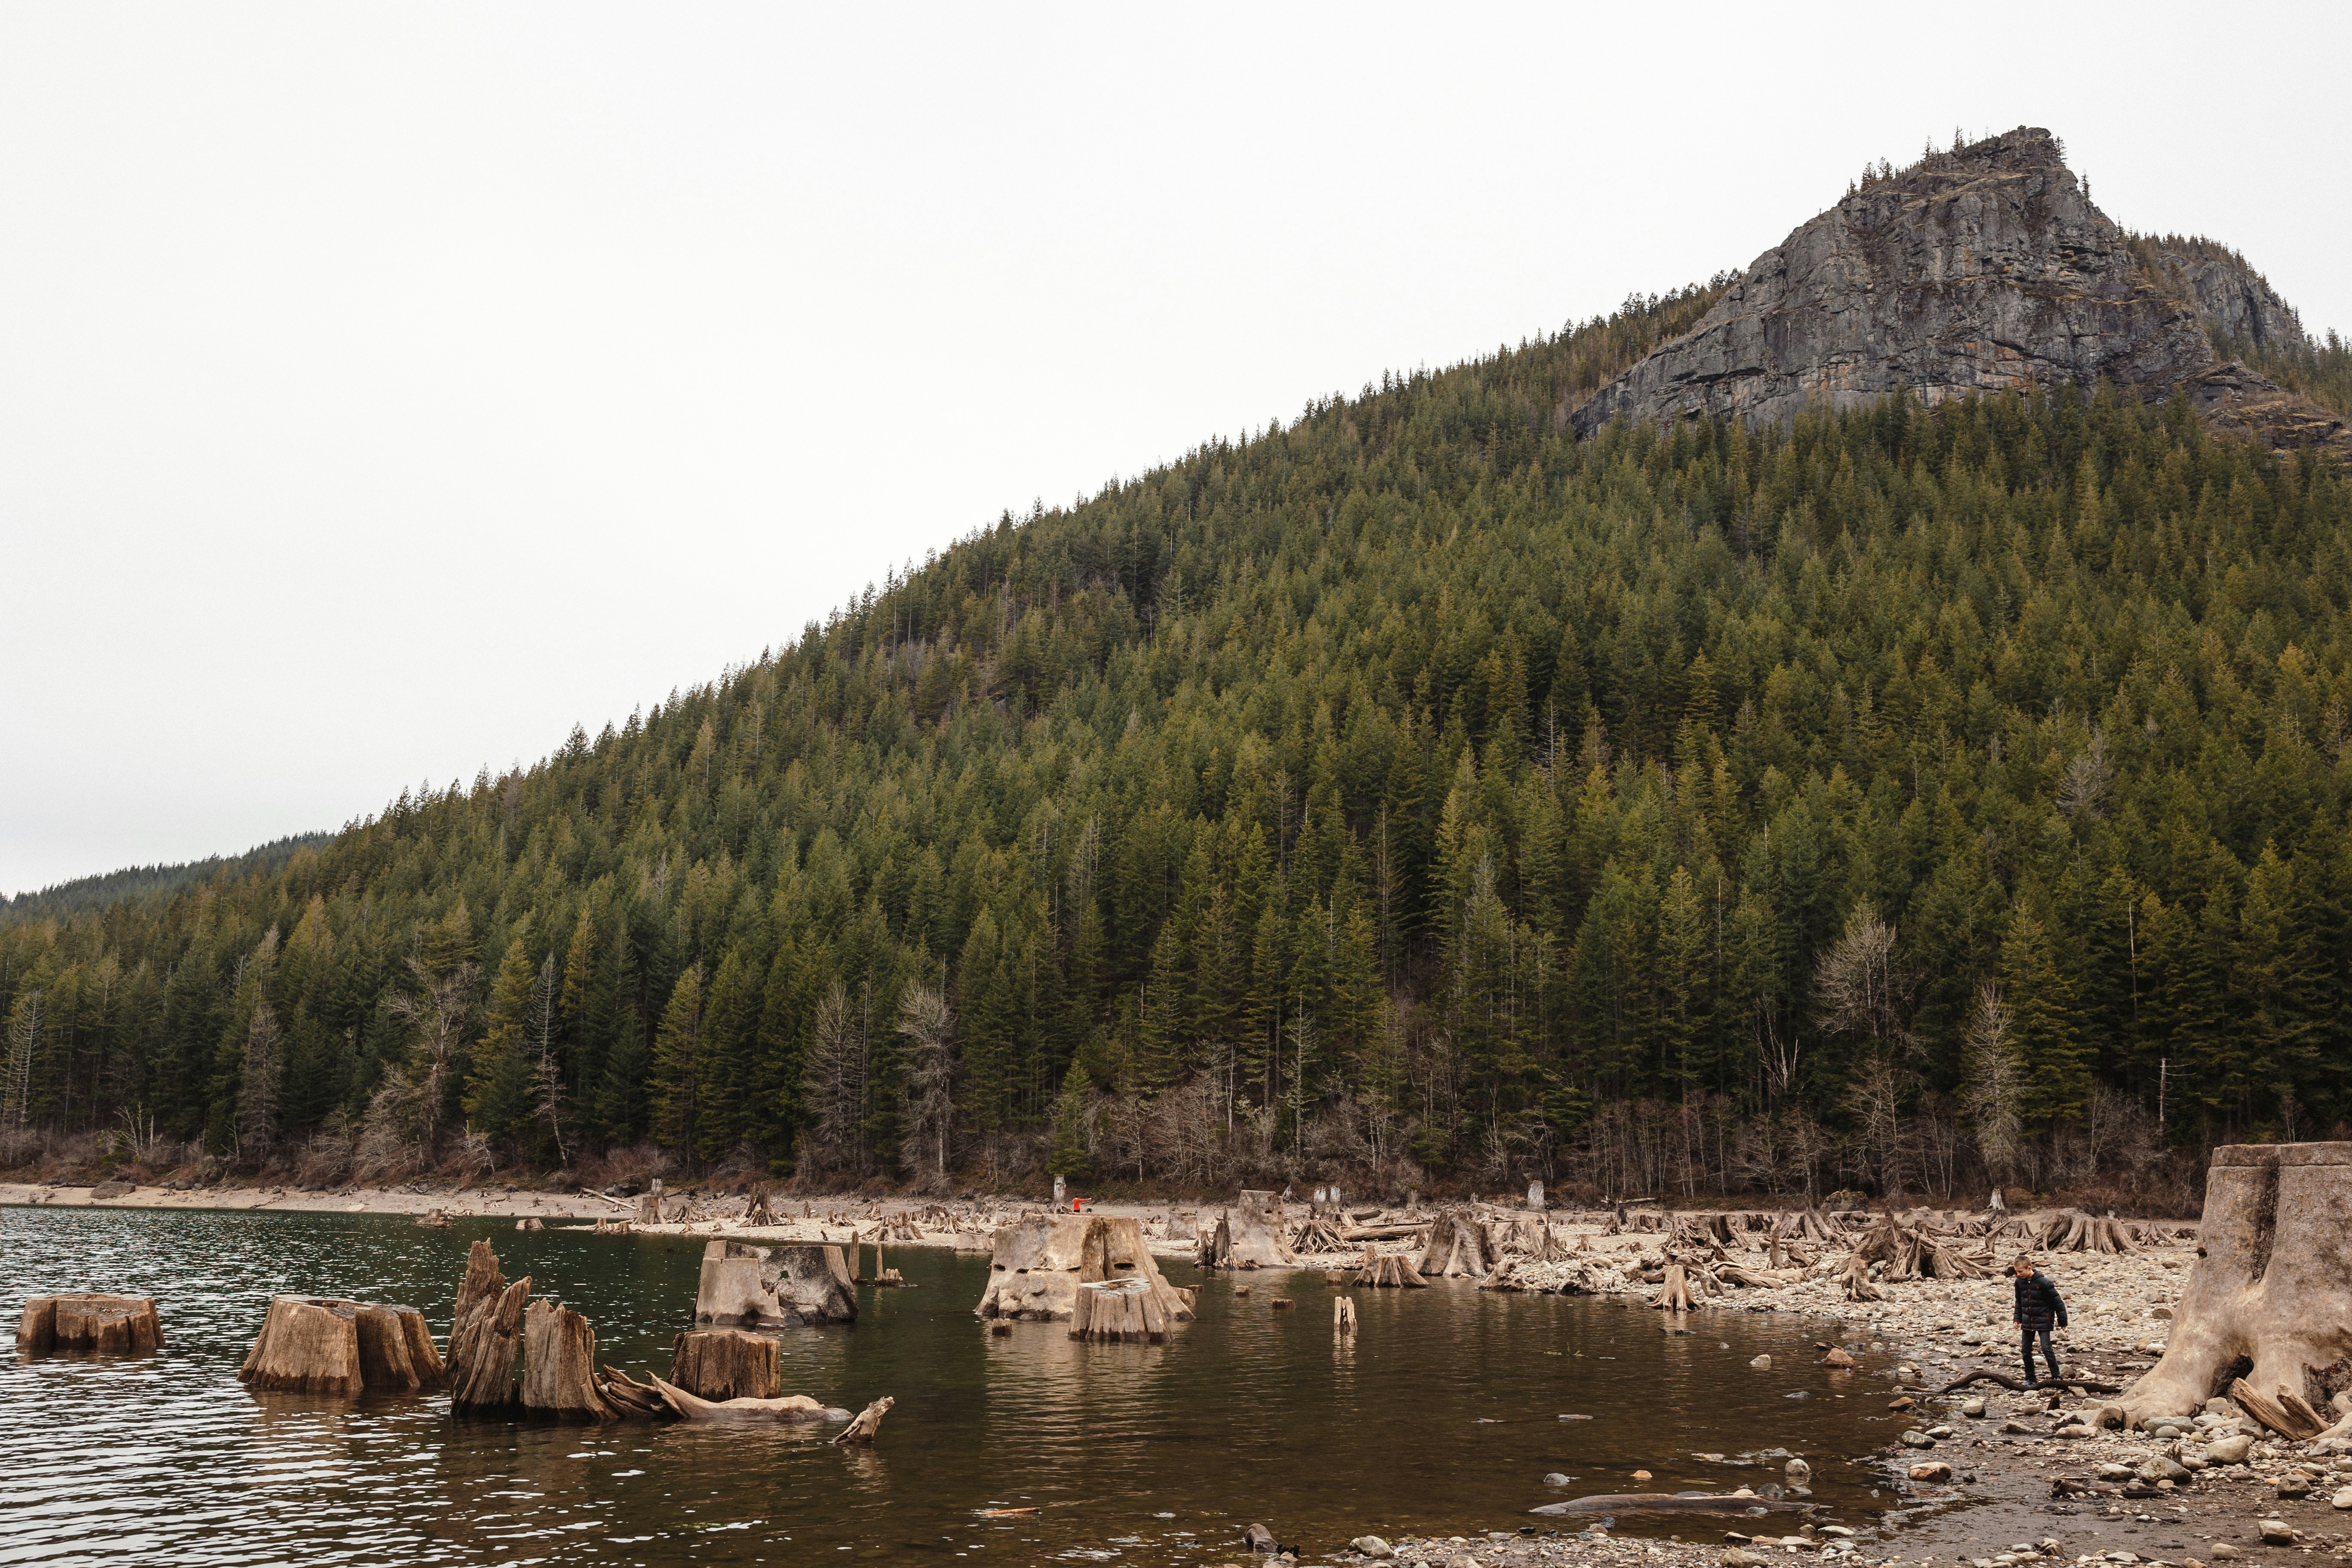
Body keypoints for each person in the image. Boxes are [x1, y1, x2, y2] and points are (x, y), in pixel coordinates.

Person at [2011, 1253, 2067, 1387]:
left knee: (2047, 1349)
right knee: (2026, 1351)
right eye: (2016, 1272)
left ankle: (2056, 1378)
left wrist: (2063, 1321)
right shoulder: (2019, 1282)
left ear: (2029, 1268)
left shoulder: (2044, 1283)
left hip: (2044, 1320)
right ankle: (2030, 1379)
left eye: (2020, 1271)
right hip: (2027, 1321)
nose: (2018, 1274)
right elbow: (2019, 1302)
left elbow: (2058, 1303)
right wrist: (2017, 1318)